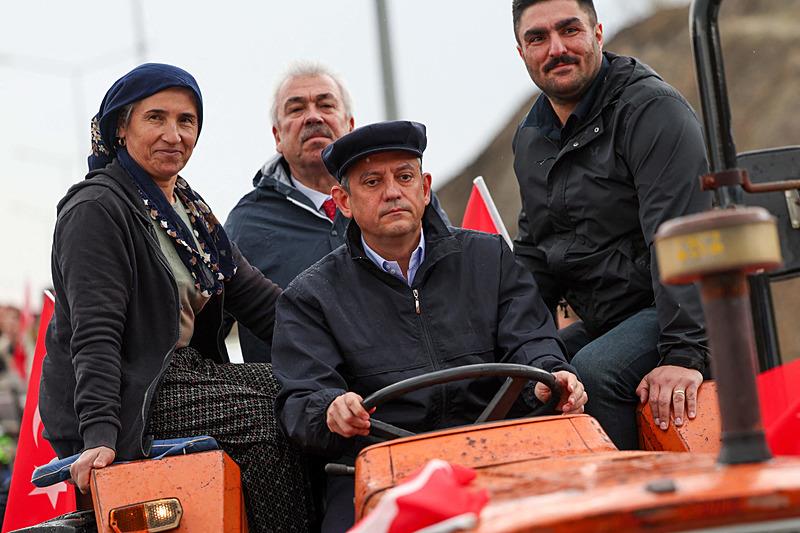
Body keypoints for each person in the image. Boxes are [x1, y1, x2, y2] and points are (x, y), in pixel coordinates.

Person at [272, 120, 587, 532]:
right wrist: (331, 408)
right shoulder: (310, 297)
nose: (392, 192)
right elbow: (302, 398)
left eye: (404, 176)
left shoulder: (489, 259)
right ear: (343, 201)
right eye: (371, 181)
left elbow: (532, 342)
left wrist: (549, 376)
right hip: (383, 468)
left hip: (500, 452)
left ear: (424, 187)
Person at [39, 63, 312, 532]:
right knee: (269, 416)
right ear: (121, 128)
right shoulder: (96, 209)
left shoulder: (189, 212)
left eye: (186, 121)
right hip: (130, 394)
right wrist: (99, 436)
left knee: (305, 390)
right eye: (155, 118)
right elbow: (96, 333)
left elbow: (262, 302)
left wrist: (341, 345)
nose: (174, 134)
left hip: (183, 378)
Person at [510, 0, 711, 450]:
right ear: (520, 52)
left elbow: (679, 236)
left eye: (570, 30)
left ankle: (629, 507)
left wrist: (684, 354)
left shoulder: (651, 111)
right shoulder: (530, 137)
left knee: (594, 373)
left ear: (598, 33)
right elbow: (537, 252)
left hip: (676, 310)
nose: (556, 48)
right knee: (522, 378)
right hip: (607, 316)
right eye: (538, 38)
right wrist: (507, 336)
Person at [225, 63, 449, 363]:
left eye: (326, 104)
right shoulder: (245, 224)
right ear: (277, 136)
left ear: (350, 125)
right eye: (296, 109)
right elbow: (212, 324)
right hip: (299, 397)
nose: (313, 116)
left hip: (407, 388)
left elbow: (450, 281)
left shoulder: (405, 203)